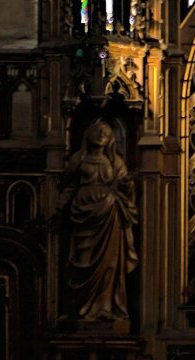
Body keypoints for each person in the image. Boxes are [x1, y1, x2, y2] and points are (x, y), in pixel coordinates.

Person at [62, 120, 139, 322]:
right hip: (83, 214)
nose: (100, 134)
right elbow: (65, 184)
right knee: (84, 258)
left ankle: (105, 307)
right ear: (87, 134)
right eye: (96, 130)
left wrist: (127, 184)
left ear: (111, 138)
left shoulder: (116, 162)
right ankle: (82, 309)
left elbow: (126, 186)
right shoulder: (79, 158)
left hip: (110, 214)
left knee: (111, 264)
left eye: (105, 131)